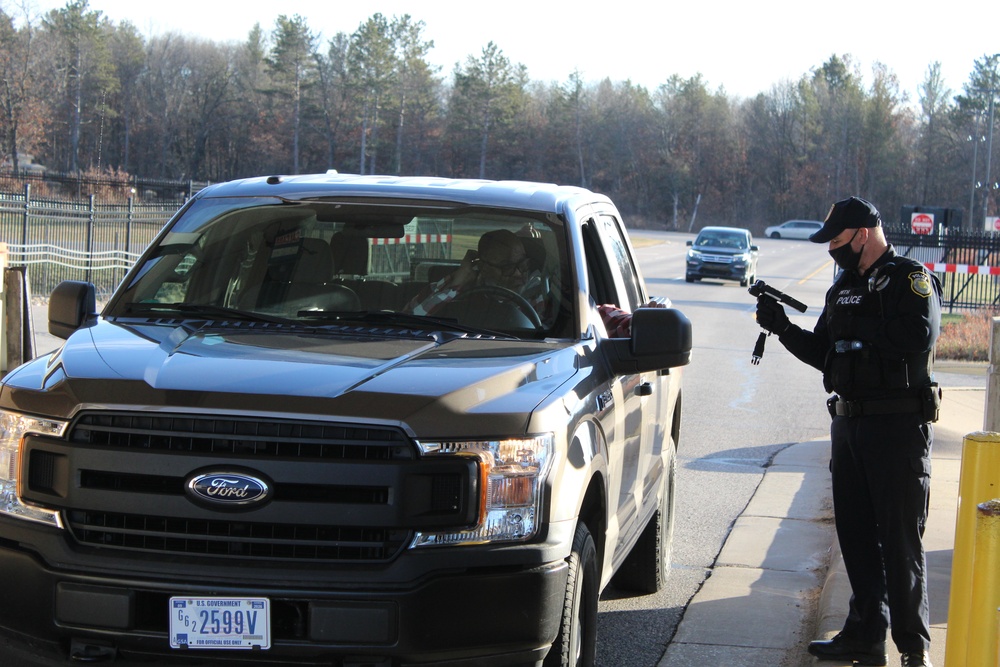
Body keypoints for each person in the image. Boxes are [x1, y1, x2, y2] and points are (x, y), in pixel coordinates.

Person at [755, 197, 941, 667]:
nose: (832, 251)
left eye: (838, 241)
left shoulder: (908, 279)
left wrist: (859, 330)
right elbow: (824, 352)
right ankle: (864, 633)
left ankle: (913, 648)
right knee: (856, 537)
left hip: (896, 428)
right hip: (849, 426)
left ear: (862, 234)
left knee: (899, 542)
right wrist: (782, 329)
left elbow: (918, 334)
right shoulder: (841, 290)